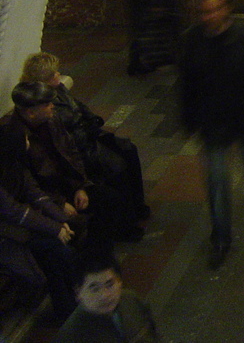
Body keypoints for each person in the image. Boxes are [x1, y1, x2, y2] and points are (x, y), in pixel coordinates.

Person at [178, 0, 244, 269]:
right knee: (217, 182)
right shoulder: (192, 41)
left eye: (215, 10)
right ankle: (221, 238)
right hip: (212, 125)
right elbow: (186, 84)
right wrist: (188, 120)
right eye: (205, 12)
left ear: (227, 9)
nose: (210, 17)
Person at [0, 82, 142, 245]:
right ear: (31, 112)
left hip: (67, 185)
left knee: (112, 198)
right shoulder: (15, 139)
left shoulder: (51, 120)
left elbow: (71, 152)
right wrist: (60, 203)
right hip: (48, 196)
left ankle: (102, 244)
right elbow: (29, 184)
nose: (53, 106)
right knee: (82, 223)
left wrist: (79, 187)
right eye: (47, 104)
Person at [20, 53, 148, 226]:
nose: (58, 75)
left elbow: (78, 106)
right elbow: (66, 142)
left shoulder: (58, 89)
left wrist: (93, 121)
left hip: (88, 134)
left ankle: (138, 205)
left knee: (129, 150)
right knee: (118, 166)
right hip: (83, 146)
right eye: (53, 74)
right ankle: (128, 218)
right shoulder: (45, 106)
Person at [0, 173, 78, 320]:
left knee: (57, 250)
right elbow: (13, 211)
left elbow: (35, 194)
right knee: (56, 250)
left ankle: (69, 310)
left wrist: (61, 220)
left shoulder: (13, 165)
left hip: (18, 227)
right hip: (7, 236)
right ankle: (72, 308)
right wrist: (55, 228)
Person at [53, 250, 159, 343]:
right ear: (78, 292)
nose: (105, 295)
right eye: (94, 289)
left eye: (110, 284)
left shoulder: (131, 300)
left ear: (119, 282)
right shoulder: (71, 336)